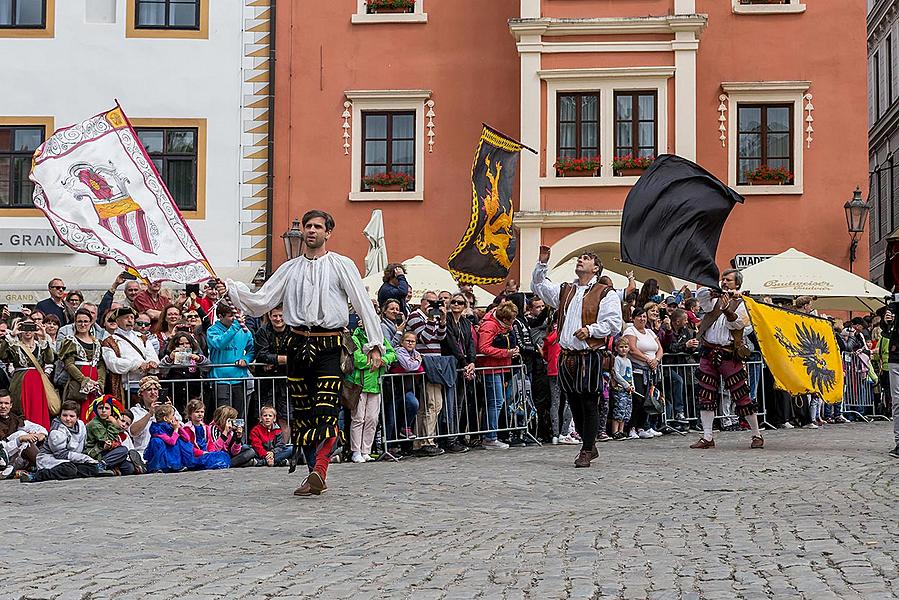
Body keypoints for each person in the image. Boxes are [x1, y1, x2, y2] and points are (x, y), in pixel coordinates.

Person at [218, 209, 384, 497]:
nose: (311, 230)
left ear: (328, 232)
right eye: (308, 226)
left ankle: (321, 467)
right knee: (304, 417)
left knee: (326, 411)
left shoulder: (341, 265)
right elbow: (261, 301)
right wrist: (233, 289)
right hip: (296, 345)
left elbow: (362, 303)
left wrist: (375, 344)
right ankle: (312, 475)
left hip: (329, 345)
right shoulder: (289, 268)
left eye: (318, 226)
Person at [532, 246, 622, 468]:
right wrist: (542, 264)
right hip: (567, 355)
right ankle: (589, 443)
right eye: (581, 257)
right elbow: (538, 286)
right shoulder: (566, 290)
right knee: (573, 402)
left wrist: (591, 331)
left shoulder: (605, 293)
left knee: (589, 402)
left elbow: (613, 323)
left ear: (596, 268)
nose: (581, 260)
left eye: (587, 258)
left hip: (589, 354)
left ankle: (586, 449)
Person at [690, 268, 763, 450]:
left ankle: (756, 434)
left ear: (737, 283)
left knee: (741, 394)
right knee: (706, 394)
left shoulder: (743, 303)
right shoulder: (713, 299)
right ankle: (707, 436)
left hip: (729, 353)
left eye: (728, 280)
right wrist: (712, 289)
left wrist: (728, 311)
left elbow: (741, 326)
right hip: (709, 351)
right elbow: (701, 297)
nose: (724, 282)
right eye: (723, 279)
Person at [20, 400, 108, 483]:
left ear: (77, 417)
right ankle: (36, 476)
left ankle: (72, 474)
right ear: (60, 415)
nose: (68, 419)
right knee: (69, 469)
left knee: (91, 468)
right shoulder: (57, 431)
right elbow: (61, 454)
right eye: (64, 415)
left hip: (71, 460)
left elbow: (83, 446)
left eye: (72, 416)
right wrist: (85, 459)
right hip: (52, 459)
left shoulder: (81, 425)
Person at [405, 291, 447, 456]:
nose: (433, 305)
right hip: (425, 363)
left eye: (436, 302)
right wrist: (431, 320)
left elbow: (441, 337)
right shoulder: (415, 316)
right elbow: (425, 338)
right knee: (433, 403)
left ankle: (421, 441)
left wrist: (442, 320)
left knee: (428, 404)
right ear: (422, 302)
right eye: (430, 301)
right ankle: (427, 441)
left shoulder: (434, 317)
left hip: (435, 362)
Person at [347, 325, 396, 463]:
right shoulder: (355, 338)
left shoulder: (380, 338)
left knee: (372, 419)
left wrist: (382, 360)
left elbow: (392, 353)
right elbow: (357, 360)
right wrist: (375, 361)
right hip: (360, 384)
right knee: (358, 418)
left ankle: (366, 450)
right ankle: (356, 451)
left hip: (375, 385)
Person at [476, 302, 519, 450]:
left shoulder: (502, 325)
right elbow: (484, 347)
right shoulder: (490, 326)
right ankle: (490, 437)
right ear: (505, 319)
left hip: (500, 367)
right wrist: (506, 353)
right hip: (491, 367)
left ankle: (490, 435)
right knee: (495, 402)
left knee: (496, 402)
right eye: (512, 319)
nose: (514, 322)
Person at [0, 318, 56, 430]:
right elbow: (2, 355)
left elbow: (50, 359)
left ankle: (40, 436)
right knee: (20, 409)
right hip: (20, 382)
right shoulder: (14, 344)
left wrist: (44, 336)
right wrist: (12, 334)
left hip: (37, 383)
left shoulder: (41, 345)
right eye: (24, 327)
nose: (28, 330)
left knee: (37, 409)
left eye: (31, 327)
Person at [442, 293, 478, 449]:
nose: (456, 304)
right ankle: (448, 439)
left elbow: (470, 342)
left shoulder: (465, 322)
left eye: (460, 302)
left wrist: (471, 362)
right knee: (449, 405)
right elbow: (449, 341)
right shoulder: (447, 319)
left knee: (459, 404)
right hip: (451, 364)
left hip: (463, 366)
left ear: (465, 306)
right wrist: (464, 362)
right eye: (454, 302)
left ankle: (455, 437)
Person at [102, 307, 159, 402]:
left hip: (145, 385)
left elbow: (151, 354)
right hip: (125, 386)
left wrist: (151, 362)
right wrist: (137, 364)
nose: (130, 320)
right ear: (117, 320)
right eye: (126, 318)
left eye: (132, 318)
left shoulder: (142, 338)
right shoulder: (110, 341)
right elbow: (113, 363)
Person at [623, 308, 664, 439]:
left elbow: (660, 348)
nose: (642, 319)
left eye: (644, 316)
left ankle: (643, 426)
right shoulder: (630, 331)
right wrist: (647, 360)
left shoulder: (650, 332)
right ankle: (631, 427)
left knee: (649, 399)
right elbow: (633, 349)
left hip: (651, 370)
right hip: (638, 370)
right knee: (638, 399)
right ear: (633, 318)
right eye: (639, 316)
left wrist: (656, 360)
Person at [206, 303, 255, 412]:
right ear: (220, 316)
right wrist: (235, 327)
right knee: (224, 415)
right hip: (220, 380)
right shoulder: (212, 330)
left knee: (239, 416)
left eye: (236, 315)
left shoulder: (244, 331)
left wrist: (246, 359)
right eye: (231, 315)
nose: (234, 318)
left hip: (239, 379)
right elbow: (219, 344)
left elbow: (252, 349)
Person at [254, 306, 292, 443]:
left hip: (286, 383)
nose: (278, 319)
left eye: (281, 315)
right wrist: (284, 359)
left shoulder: (292, 331)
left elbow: (295, 355)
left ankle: (284, 448)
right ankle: (266, 451)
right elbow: (262, 355)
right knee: (265, 417)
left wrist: (275, 360)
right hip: (266, 383)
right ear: (269, 316)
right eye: (275, 316)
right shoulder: (262, 332)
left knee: (285, 417)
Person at [58, 308, 105, 417]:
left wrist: (100, 382)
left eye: (85, 321)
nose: (83, 324)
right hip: (78, 382)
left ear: (90, 323)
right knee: (79, 410)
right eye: (79, 321)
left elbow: (101, 364)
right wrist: (84, 380)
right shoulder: (70, 341)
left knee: (95, 410)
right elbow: (69, 364)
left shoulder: (96, 342)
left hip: (95, 381)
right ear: (75, 323)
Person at [84, 395, 138, 475]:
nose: (103, 411)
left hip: (108, 452)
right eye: (100, 408)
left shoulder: (107, 422)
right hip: (96, 452)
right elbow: (107, 439)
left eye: (107, 408)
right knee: (123, 450)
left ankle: (110, 468)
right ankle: (100, 466)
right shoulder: (94, 424)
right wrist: (114, 424)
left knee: (129, 468)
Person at [0, 390, 47, 477]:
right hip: (3, 461)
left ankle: (45, 467)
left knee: (28, 437)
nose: (3, 406)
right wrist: (20, 439)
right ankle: (46, 468)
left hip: (17, 460)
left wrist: (41, 434)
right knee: (21, 435)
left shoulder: (15, 419)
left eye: (6, 403)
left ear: (11, 405)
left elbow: (39, 428)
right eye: (0, 403)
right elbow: (2, 451)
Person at [158, 332, 209, 411]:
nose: (185, 346)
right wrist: (170, 358)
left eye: (187, 343)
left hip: (193, 392)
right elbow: (162, 370)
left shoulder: (196, 355)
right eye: (181, 344)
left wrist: (198, 359)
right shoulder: (169, 356)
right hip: (175, 393)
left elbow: (208, 367)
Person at [177, 398, 231, 470]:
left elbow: (210, 442)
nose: (200, 414)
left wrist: (211, 452)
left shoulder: (205, 427)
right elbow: (188, 447)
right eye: (197, 412)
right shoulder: (186, 429)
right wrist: (203, 453)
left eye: (202, 412)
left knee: (223, 454)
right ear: (190, 414)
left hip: (206, 453)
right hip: (195, 455)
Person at [143, 403, 186, 473]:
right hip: (162, 449)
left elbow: (186, 438)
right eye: (173, 415)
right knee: (157, 441)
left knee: (179, 441)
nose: (175, 417)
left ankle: (174, 465)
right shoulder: (158, 429)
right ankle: (157, 467)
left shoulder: (170, 426)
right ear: (166, 418)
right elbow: (171, 442)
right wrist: (175, 430)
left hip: (170, 451)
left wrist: (179, 427)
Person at [610, 338, 635, 440]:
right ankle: (615, 431)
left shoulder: (628, 360)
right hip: (620, 388)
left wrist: (632, 385)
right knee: (619, 409)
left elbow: (631, 375)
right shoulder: (617, 359)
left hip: (628, 389)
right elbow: (616, 374)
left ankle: (621, 430)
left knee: (626, 410)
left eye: (625, 347)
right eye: (621, 347)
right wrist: (625, 385)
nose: (623, 349)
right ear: (616, 349)